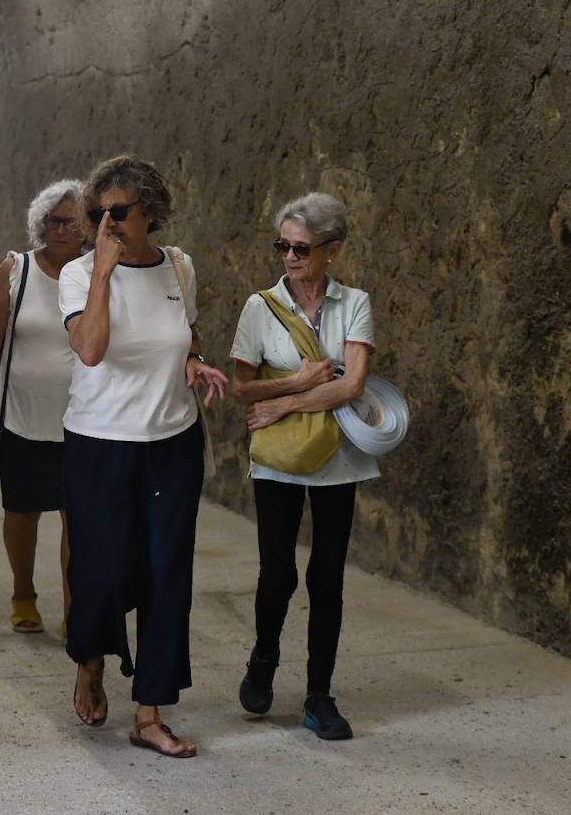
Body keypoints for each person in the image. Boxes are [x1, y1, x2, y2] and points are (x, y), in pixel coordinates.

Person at [59, 154, 228, 758]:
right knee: (100, 571)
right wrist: (104, 272)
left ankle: (150, 712)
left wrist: (191, 360)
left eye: (120, 212)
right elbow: (92, 350)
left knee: (166, 575)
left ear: (151, 213)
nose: (108, 222)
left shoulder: (179, 268)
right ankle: (90, 659)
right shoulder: (78, 276)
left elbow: (186, 332)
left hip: (172, 443)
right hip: (99, 441)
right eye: (99, 213)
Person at [228, 191, 377, 742]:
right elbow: (243, 390)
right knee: (278, 572)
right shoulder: (259, 306)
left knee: (328, 577)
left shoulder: (355, 302)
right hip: (279, 460)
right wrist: (299, 380)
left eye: (301, 248)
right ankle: (264, 656)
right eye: (282, 246)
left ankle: (319, 695)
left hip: (341, 456)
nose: (289, 257)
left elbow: (354, 383)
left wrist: (285, 403)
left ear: (331, 250)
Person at [0, 181, 85, 635]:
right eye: (53, 220)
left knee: (79, 516)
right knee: (22, 512)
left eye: (71, 221)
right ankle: (23, 592)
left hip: (84, 418)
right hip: (19, 417)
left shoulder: (98, 273)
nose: (61, 228)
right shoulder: (18, 269)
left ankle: (75, 610)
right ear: (40, 224)